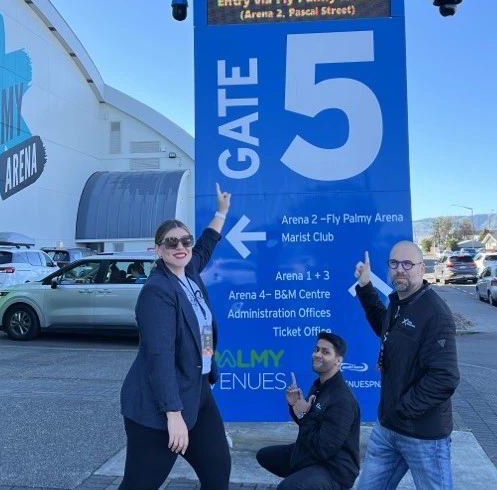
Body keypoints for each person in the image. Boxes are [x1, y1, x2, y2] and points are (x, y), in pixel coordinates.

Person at [118, 183, 232, 490]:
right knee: (140, 484)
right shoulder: (157, 292)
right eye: (170, 243)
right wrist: (173, 414)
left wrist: (221, 212)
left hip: (197, 392)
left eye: (185, 240)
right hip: (159, 407)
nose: (180, 246)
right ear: (157, 249)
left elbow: (208, 243)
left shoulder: (189, 270)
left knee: (217, 474)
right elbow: (159, 357)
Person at [353, 242, 460, 490]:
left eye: (407, 264)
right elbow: (386, 328)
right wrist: (366, 286)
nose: (400, 269)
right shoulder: (400, 303)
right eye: (394, 263)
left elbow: (445, 378)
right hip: (388, 429)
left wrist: (403, 409)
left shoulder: (435, 313)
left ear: (422, 269)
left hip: (423, 435)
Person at [256, 332, 360, 490]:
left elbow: (323, 449)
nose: (317, 354)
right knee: (264, 455)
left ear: (338, 360)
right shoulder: (319, 385)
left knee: (288, 488)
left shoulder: (342, 399)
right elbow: (311, 425)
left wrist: (304, 415)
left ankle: (308, 482)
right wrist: (295, 406)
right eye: (317, 349)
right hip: (312, 454)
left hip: (334, 469)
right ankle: (305, 479)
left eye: (325, 352)